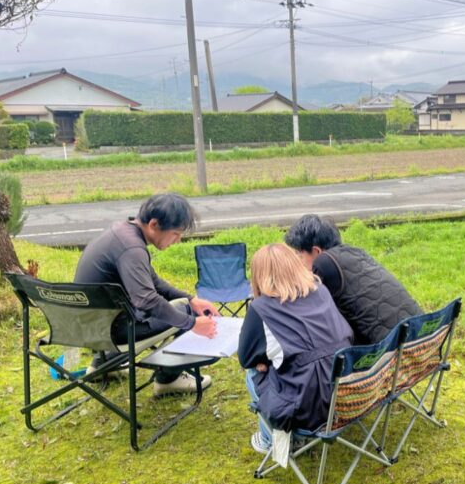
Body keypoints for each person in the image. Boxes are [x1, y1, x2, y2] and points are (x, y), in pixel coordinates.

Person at [74, 193, 219, 396]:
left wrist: (191, 298)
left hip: (86, 326)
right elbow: (147, 300)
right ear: (154, 224)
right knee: (187, 313)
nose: (177, 240)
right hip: (110, 331)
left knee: (186, 306)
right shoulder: (132, 249)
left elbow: (154, 283)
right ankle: (168, 380)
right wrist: (193, 322)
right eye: (175, 234)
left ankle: (103, 365)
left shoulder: (121, 232)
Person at [238, 243, 353, 454]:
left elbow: (246, 358)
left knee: (253, 371)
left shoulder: (261, 308)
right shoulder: (320, 291)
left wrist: (266, 361)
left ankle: (271, 440)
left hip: (302, 410)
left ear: (258, 275)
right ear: (295, 265)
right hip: (344, 394)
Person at [284, 214, 423, 346]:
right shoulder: (356, 252)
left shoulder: (323, 262)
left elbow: (306, 311)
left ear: (316, 251)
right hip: (423, 334)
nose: (297, 263)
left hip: (393, 350)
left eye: (299, 255)